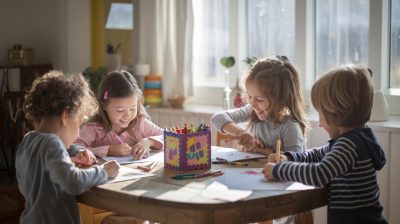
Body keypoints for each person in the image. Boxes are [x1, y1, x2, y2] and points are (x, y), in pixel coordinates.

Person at [263, 64, 387, 224]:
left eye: (320, 113)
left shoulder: (348, 145)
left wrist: (279, 170)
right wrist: (288, 157)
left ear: (336, 114)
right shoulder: (357, 139)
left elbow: (319, 174)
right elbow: (315, 154)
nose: (320, 123)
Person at [15, 71, 120, 224]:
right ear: (65, 116)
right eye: (78, 124)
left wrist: (79, 151)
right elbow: (73, 182)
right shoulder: (52, 144)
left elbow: (58, 150)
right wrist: (103, 172)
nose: (77, 134)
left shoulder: (28, 141)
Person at [211, 56, 308, 156]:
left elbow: (295, 158)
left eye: (259, 99)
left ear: (281, 100)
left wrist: (258, 150)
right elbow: (217, 118)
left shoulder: (290, 125)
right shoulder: (252, 110)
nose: (252, 104)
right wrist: (240, 132)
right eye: (249, 96)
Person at [75, 70, 163, 160]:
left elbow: (168, 137)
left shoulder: (140, 123)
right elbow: (74, 149)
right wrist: (108, 150)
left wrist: (148, 142)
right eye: (120, 110)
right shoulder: (93, 127)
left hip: (136, 172)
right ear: (104, 105)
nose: (127, 115)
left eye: (133, 108)